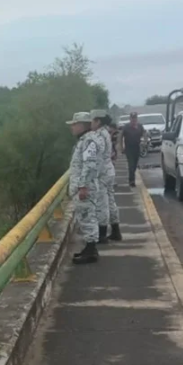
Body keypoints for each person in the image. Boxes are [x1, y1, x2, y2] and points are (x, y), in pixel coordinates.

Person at [67, 111, 101, 264]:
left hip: (85, 187)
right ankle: (89, 248)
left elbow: (89, 164)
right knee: (85, 217)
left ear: (81, 125)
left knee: (88, 217)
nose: (71, 128)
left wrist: (83, 186)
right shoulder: (85, 140)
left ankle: (91, 250)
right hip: (83, 186)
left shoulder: (88, 141)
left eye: (74, 125)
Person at [90, 109, 121, 243]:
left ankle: (102, 234)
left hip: (102, 172)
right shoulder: (106, 133)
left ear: (98, 121)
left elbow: (98, 156)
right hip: (109, 170)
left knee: (102, 204)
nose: (90, 124)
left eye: (92, 121)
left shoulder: (99, 135)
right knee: (110, 201)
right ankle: (115, 230)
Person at [120, 112, 146, 187]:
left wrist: (145, 142)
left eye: (135, 118)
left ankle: (132, 177)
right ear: (130, 118)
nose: (134, 120)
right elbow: (121, 137)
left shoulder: (140, 126)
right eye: (132, 118)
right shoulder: (126, 127)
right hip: (129, 148)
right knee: (131, 165)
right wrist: (121, 147)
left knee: (134, 165)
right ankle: (131, 181)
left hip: (137, 148)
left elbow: (144, 134)